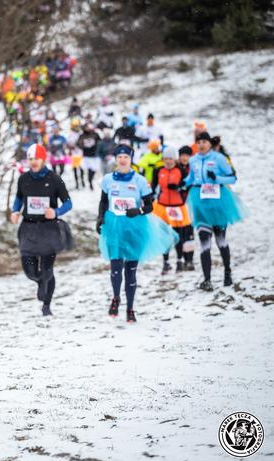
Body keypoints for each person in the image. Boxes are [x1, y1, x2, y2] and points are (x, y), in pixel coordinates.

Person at [96, 145, 177, 323]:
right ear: (116, 159)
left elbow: (149, 206)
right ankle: (116, 298)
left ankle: (130, 309)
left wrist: (138, 210)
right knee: (115, 266)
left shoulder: (140, 181)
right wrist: (100, 218)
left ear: (131, 159)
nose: (123, 160)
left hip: (135, 228)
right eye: (120, 157)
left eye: (126, 157)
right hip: (114, 226)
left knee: (130, 271)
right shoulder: (108, 180)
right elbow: (103, 202)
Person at [11, 144, 73, 316]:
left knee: (47, 270)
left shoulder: (54, 179)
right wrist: (15, 211)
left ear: (43, 159)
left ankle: (46, 304)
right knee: (30, 272)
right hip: (28, 228)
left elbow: (68, 203)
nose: (33, 162)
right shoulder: (23, 179)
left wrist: (56, 212)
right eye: (31, 159)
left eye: (36, 159)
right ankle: (38, 281)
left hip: (48, 229)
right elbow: (18, 198)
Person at [183, 131, 248, 291]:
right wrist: (182, 184)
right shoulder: (193, 160)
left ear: (210, 143)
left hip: (218, 202)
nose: (201, 145)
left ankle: (227, 272)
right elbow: (191, 178)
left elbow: (232, 178)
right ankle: (207, 280)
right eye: (199, 142)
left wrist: (217, 179)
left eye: (204, 142)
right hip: (200, 202)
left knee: (220, 241)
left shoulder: (219, 158)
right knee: (204, 241)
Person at [151, 147, 195, 273]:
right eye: (166, 158)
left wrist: (179, 187)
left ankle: (179, 261)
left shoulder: (180, 170)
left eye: (170, 158)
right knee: (164, 236)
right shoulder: (159, 170)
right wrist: (150, 197)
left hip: (177, 206)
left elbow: (188, 185)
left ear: (175, 159)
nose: (168, 161)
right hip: (162, 206)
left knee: (178, 235)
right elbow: (154, 187)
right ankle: (166, 262)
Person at [77, 123, 101, 190]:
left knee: (94, 170)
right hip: (86, 155)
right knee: (89, 170)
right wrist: (83, 145)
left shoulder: (95, 134)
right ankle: (89, 182)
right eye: (86, 127)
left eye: (88, 127)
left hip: (94, 155)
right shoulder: (82, 136)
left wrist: (96, 146)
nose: (88, 128)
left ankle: (90, 180)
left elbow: (100, 142)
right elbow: (78, 144)